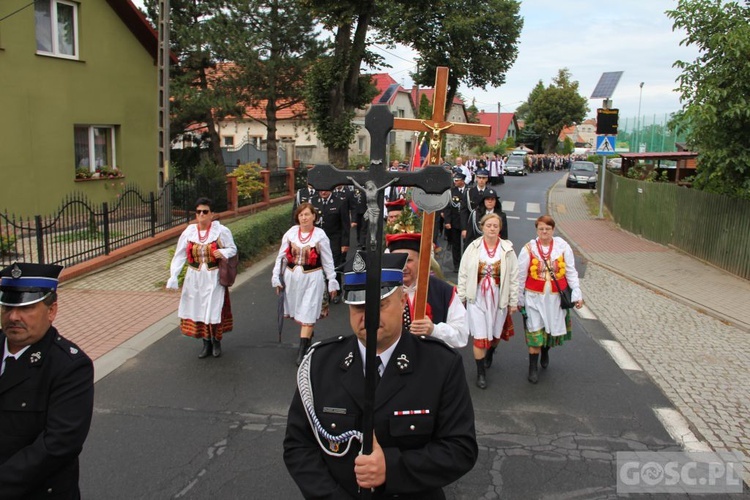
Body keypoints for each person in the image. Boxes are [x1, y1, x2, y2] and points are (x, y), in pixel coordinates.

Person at [283, 251, 478, 498]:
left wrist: (392, 469)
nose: (368, 315)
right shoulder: (320, 364)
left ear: (401, 301)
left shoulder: (440, 365)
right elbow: (298, 446)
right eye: (358, 307)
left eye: (380, 304)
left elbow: (460, 449)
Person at [0, 262, 94, 498]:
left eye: (26, 308)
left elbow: (58, 446)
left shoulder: (70, 366)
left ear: (51, 311)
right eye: (7, 307)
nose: (13, 316)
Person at [167, 198, 236, 359]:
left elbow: (233, 248)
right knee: (199, 308)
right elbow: (180, 255)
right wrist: (174, 275)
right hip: (195, 278)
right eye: (198, 212)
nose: (202, 215)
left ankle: (216, 340)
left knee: (213, 308)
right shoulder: (189, 232)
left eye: (205, 212)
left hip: (214, 276)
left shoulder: (221, 231)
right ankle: (206, 343)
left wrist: (223, 252)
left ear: (212, 214)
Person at [517, 215, 583, 384]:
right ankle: (532, 368)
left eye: (547, 229)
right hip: (534, 297)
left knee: (549, 328)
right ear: (536, 230)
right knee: (534, 328)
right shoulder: (528, 249)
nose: (544, 232)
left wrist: (577, 294)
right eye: (541, 229)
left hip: (554, 298)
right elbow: (520, 276)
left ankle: (545, 350)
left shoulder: (562, 247)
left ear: (553, 230)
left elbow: (570, 272)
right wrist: (518, 298)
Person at [272, 202, 339, 365]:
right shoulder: (291, 233)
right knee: (300, 311)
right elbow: (281, 258)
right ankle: (307, 340)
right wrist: (276, 277)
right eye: (301, 215)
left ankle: (301, 351)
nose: (304, 218)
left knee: (308, 312)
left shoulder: (320, 235)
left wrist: (332, 280)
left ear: (314, 217)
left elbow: (328, 260)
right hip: (292, 279)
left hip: (312, 278)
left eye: (307, 214)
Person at [457, 213, 518, 389]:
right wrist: (461, 298)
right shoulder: (473, 248)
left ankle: (490, 351)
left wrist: (513, 301)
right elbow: (463, 273)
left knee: (495, 333)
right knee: (479, 336)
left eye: (495, 226)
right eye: (488, 225)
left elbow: (514, 277)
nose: (492, 228)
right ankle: (480, 372)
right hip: (477, 298)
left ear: (500, 228)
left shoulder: (507, 250)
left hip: (499, 299)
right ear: (482, 227)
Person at [386, 232, 468, 348]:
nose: (403, 267)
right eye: (398, 261)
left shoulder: (443, 291)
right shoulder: (381, 290)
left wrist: (434, 330)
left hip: (431, 362)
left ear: (421, 260)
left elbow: (461, 335)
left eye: (409, 260)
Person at [441, 170, 467, 272]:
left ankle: (466, 264)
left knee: (467, 245)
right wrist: (447, 221)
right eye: (455, 180)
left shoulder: (469, 190)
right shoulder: (451, 191)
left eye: (457, 180)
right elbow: (448, 208)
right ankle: (457, 265)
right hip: (455, 221)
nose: (455, 182)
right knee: (456, 245)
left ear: (463, 181)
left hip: (466, 222)